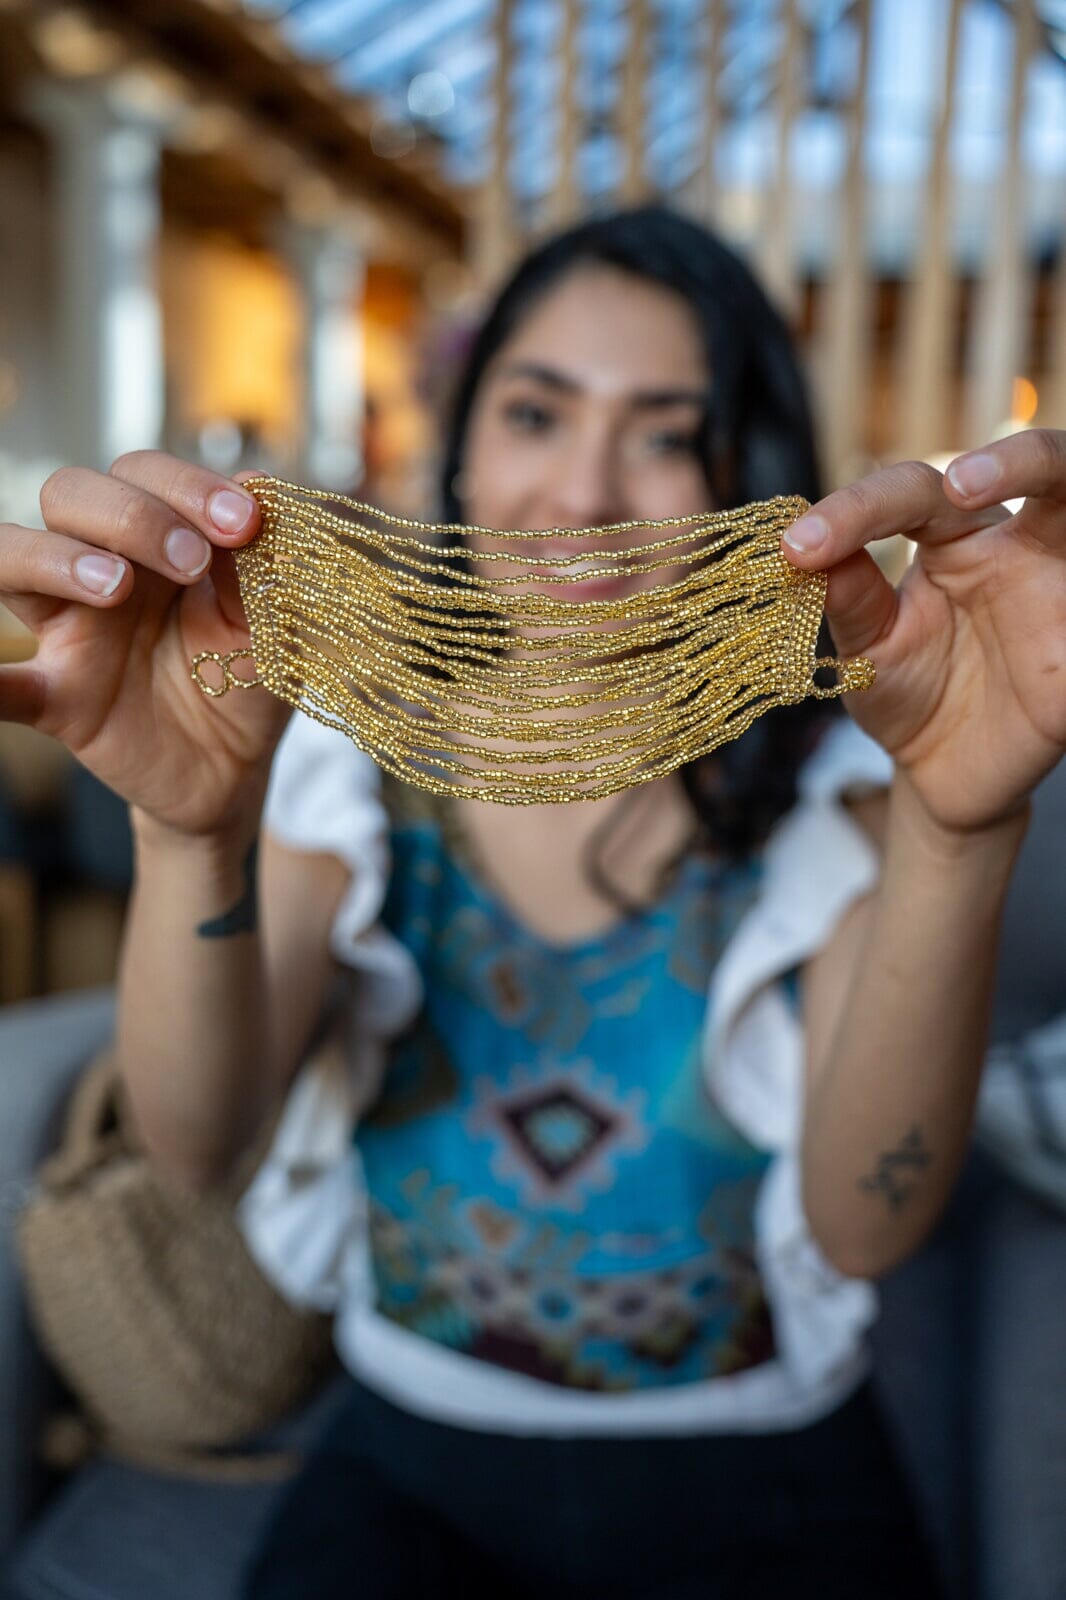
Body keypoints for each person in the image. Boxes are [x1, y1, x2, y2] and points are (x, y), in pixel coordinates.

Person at [2, 207, 1063, 1598]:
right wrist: (189, 834)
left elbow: (867, 1224)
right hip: (409, 1456)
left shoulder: (842, 776)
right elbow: (196, 1148)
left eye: (667, 433)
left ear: (748, 479)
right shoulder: (354, 766)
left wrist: (959, 828)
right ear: (462, 449)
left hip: (764, 1470)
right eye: (536, 413)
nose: (583, 493)